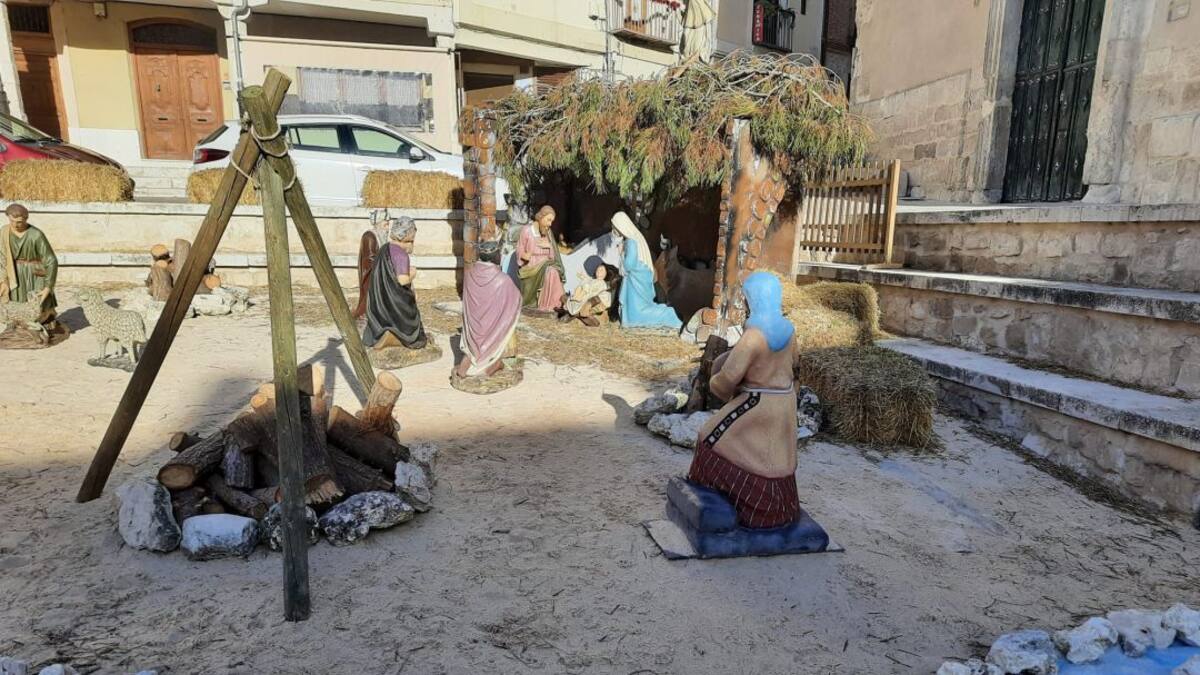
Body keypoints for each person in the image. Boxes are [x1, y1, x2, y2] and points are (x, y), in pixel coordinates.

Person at [686, 272, 799, 529]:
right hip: (784, 404)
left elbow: (729, 377)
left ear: (753, 300)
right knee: (776, 456)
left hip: (756, 403)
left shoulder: (754, 336)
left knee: (709, 438)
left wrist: (715, 382)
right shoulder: (789, 330)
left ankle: (735, 504)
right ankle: (779, 506)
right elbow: (795, 367)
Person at [457, 240, 521, 378]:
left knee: (472, 350)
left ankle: (470, 359)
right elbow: (516, 301)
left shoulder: (469, 275)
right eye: (499, 253)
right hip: (491, 332)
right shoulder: (503, 280)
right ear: (496, 256)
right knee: (504, 326)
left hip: (473, 332)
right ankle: (491, 366)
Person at [362, 216, 428, 350]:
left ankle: (385, 335)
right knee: (418, 336)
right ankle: (396, 337)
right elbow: (402, 280)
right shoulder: (401, 255)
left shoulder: (384, 249)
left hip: (378, 308)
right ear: (407, 237)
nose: (413, 244)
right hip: (394, 310)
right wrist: (413, 273)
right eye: (412, 240)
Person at [610, 211, 681, 330]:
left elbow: (629, 265)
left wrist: (621, 253)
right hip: (639, 279)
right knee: (639, 311)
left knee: (640, 313)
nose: (614, 231)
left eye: (615, 227)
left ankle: (670, 315)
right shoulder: (635, 238)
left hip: (636, 282)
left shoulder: (631, 242)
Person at [0, 203, 58, 324]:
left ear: (26, 219)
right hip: (14, 272)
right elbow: (2, 256)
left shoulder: (36, 235)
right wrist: (3, 280)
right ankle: (19, 325)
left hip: (35, 273)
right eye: (12, 221)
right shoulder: (4, 232)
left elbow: (51, 260)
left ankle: (44, 323)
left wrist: (48, 286)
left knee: (38, 303)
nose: (15, 225)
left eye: (19, 222)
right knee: (17, 303)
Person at [517, 205, 565, 313]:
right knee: (551, 272)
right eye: (548, 220)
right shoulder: (527, 230)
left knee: (552, 271)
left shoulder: (548, 232)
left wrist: (549, 246)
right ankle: (550, 304)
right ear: (541, 217)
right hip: (531, 266)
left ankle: (554, 304)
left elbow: (552, 256)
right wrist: (524, 256)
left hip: (546, 264)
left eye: (551, 221)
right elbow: (520, 249)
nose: (550, 224)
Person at [560, 256, 616, 327]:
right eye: (597, 270)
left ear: (606, 273)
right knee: (568, 295)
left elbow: (596, 291)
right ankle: (574, 305)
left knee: (584, 298)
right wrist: (583, 280)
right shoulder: (593, 280)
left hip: (590, 299)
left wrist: (587, 289)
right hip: (584, 297)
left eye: (602, 270)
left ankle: (575, 310)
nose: (599, 272)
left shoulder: (602, 283)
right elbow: (587, 282)